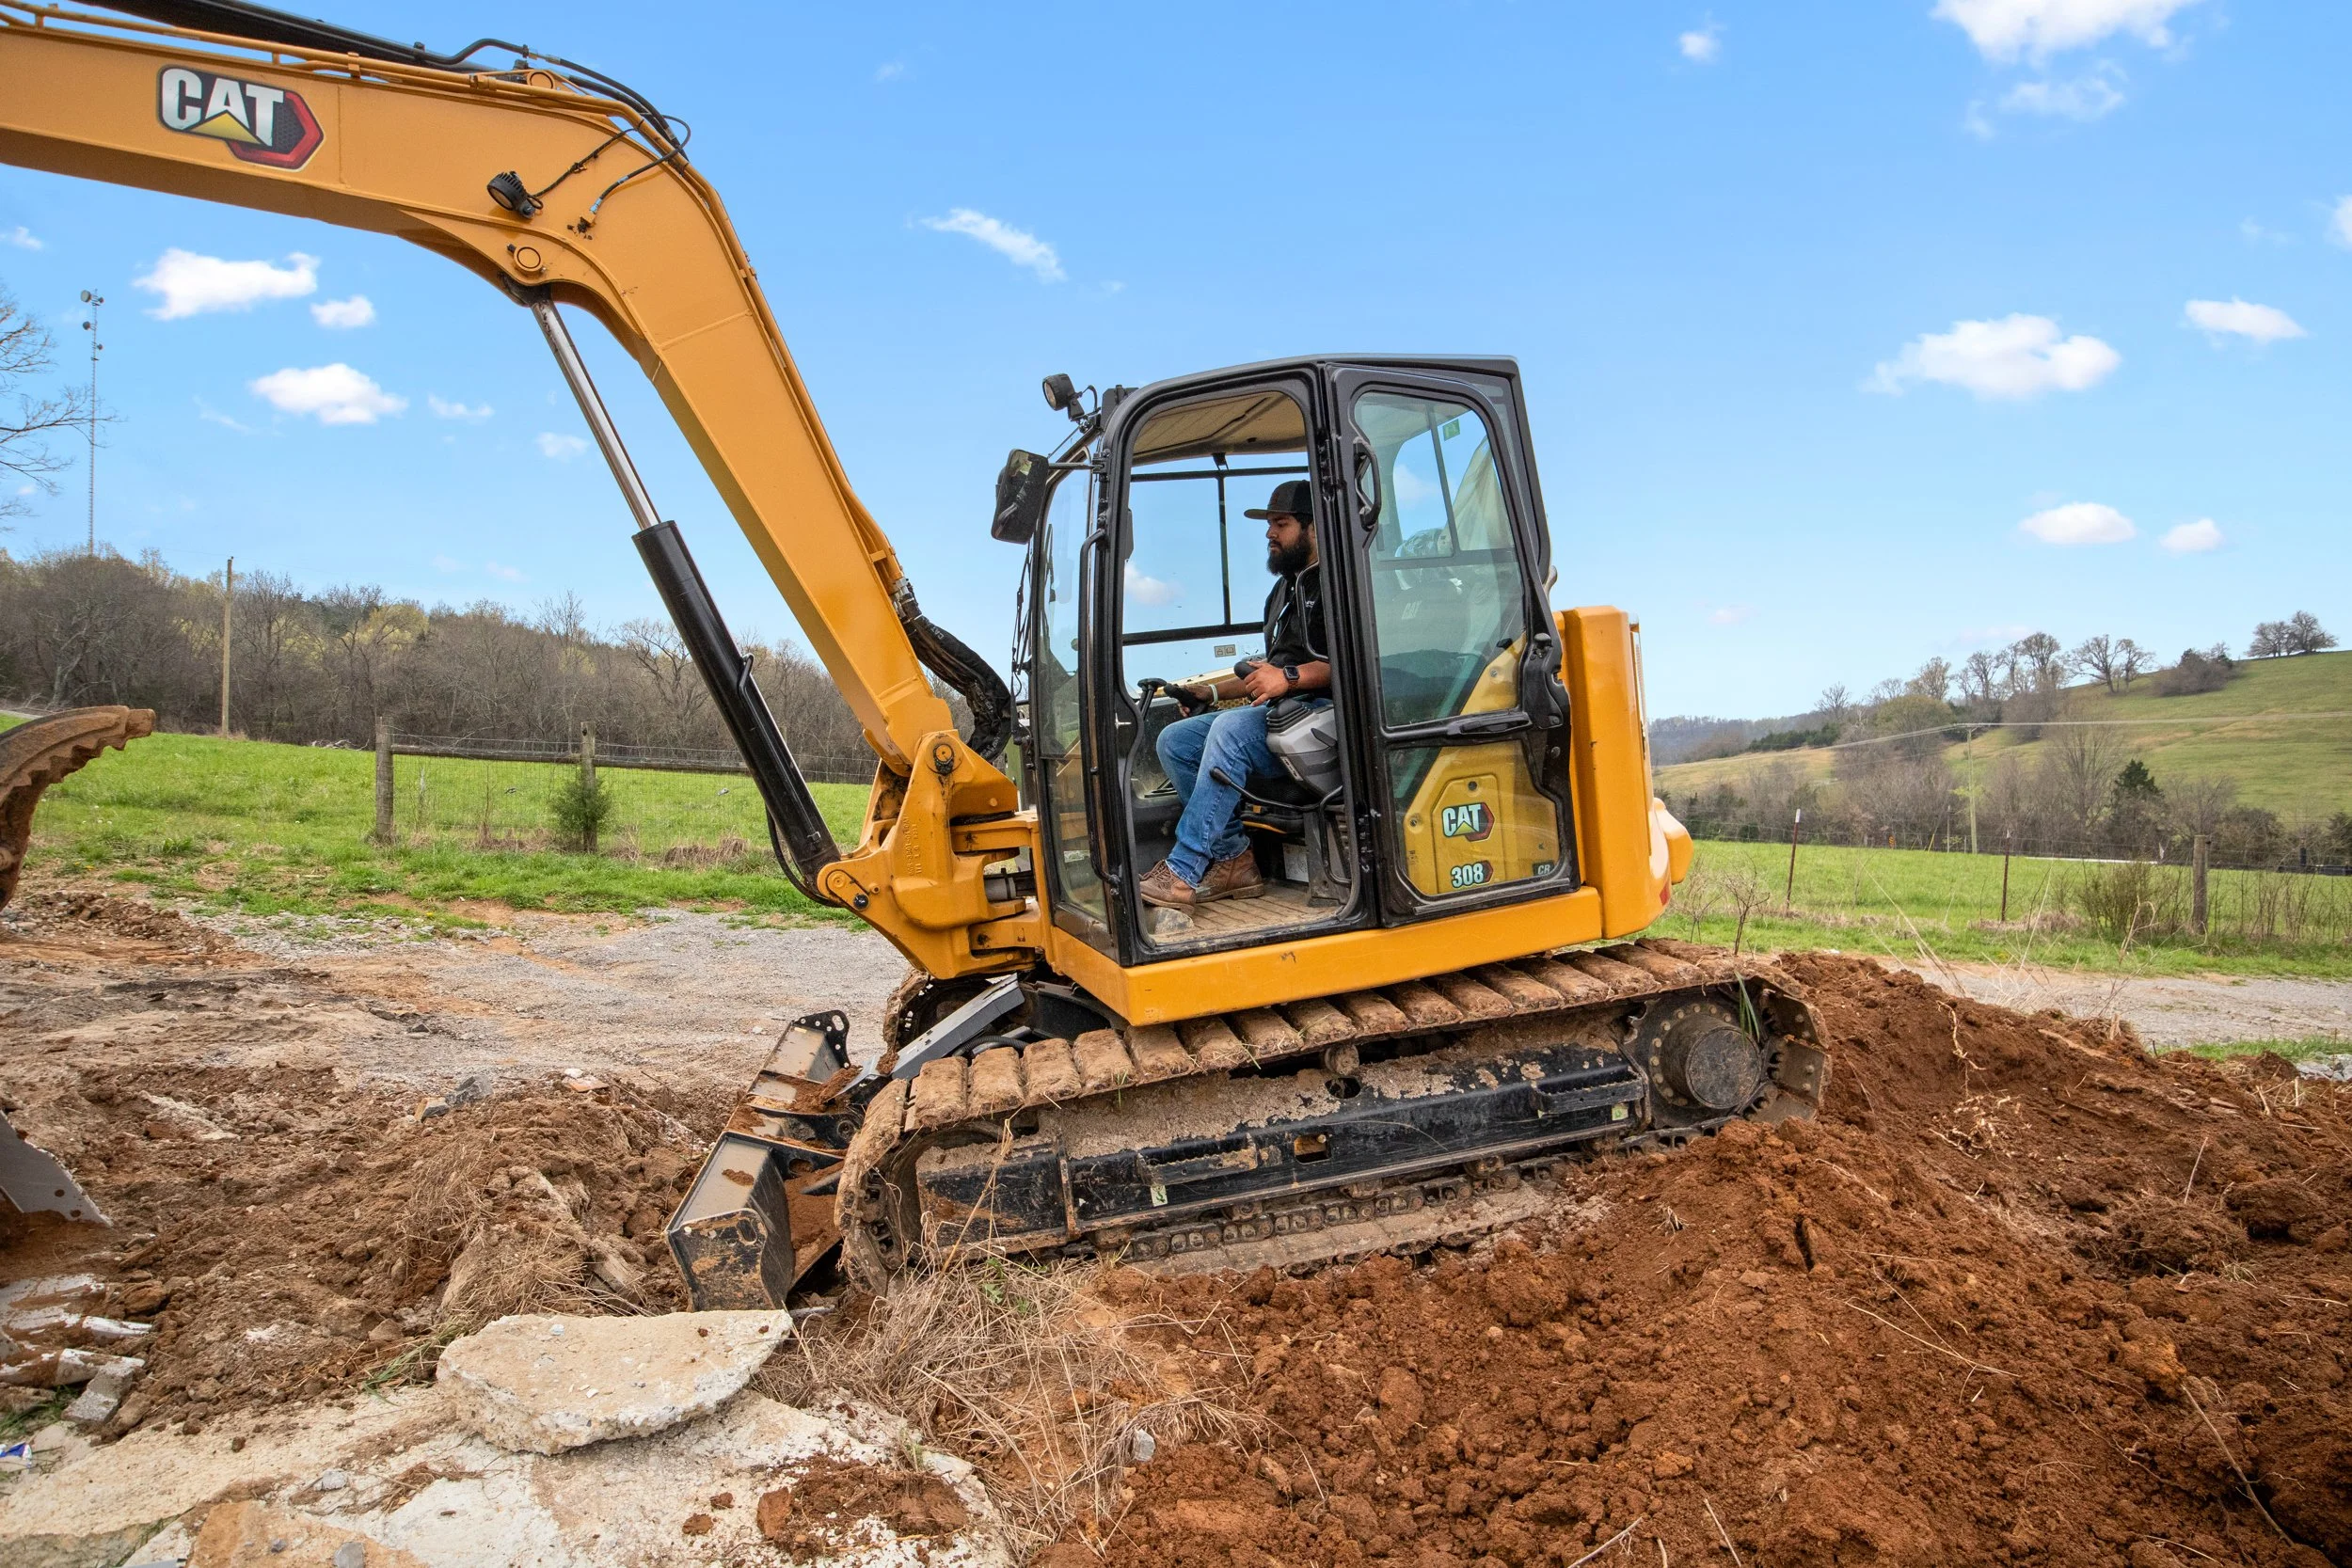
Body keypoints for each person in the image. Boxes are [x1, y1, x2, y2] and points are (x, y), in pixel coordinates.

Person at [1138, 478, 1332, 909]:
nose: (1269, 534)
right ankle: (1232, 860)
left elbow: (1353, 662)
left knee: (1228, 730)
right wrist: (1208, 690)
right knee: (1176, 739)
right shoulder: (1281, 592)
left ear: (1313, 527)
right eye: (1269, 525)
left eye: (1280, 524)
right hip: (1284, 713)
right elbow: (1265, 670)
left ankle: (1183, 872)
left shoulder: (1339, 584)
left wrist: (1291, 679)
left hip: (1326, 715)